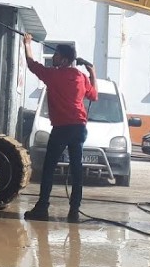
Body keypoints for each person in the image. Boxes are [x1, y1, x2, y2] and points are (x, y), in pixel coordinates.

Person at [22, 33, 97, 223]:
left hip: (62, 128)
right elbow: (94, 96)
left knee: (48, 168)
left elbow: (31, 64)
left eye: (55, 55)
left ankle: (42, 207)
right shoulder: (81, 77)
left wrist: (27, 43)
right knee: (76, 169)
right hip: (79, 127)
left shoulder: (53, 75)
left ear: (63, 59)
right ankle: (74, 212)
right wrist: (92, 71)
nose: (52, 58)